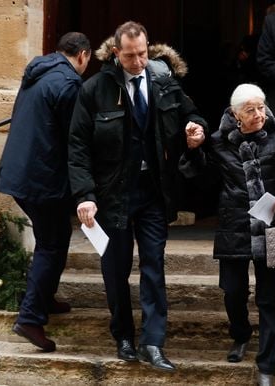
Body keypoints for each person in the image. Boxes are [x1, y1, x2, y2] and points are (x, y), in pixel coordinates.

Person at [68, 21, 207, 370]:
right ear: (116, 53)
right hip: (112, 194)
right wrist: (84, 194)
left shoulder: (163, 79)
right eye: (130, 56)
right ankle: (124, 337)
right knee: (115, 270)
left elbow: (190, 112)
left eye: (143, 54)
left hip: (153, 191)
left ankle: (154, 342)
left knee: (153, 266)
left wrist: (195, 129)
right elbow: (78, 147)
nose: (138, 62)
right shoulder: (95, 89)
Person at [180, 83, 275, 386]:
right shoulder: (217, 141)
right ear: (235, 114)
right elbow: (197, 178)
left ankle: (267, 363)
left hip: (271, 226)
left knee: (269, 298)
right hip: (234, 224)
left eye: (261, 107)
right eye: (250, 110)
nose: (259, 115)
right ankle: (240, 334)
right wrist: (193, 149)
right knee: (233, 292)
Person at [0, 32, 91, 352]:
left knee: (51, 237)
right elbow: (74, 138)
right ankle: (31, 317)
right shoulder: (68, 83)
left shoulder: (37, 72)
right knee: (53, 243)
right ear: (83, 55)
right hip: (41, 178)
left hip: (19, 174)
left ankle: (44, 299)